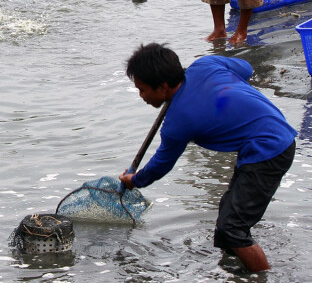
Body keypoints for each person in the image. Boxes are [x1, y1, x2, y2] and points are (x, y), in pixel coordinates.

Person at [119, 43, 296, 272]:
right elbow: (245, 68)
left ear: (163, 87)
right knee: (227, 217)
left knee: (232, 228)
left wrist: (134, 180)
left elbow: (161, 165)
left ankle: (262, 276)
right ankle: (233, 270)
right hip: (269, 137)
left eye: (143, 90)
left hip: (269, 150)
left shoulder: (178, 122)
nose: (142, 96)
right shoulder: (205, 64)